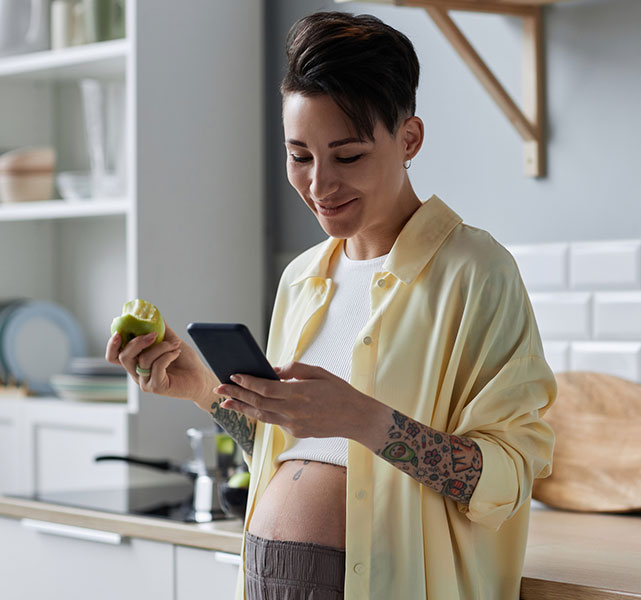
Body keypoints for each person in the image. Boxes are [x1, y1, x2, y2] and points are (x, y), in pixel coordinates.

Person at [105, 11, 557, 600]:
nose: (319, 185)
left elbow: (508, 477)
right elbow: (291, 448)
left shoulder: (475, 274)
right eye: (299, 156)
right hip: (271, 578)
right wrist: (199, 386)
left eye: (347, 157)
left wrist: (362, 419)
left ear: (409, 138)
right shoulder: (301, 279)